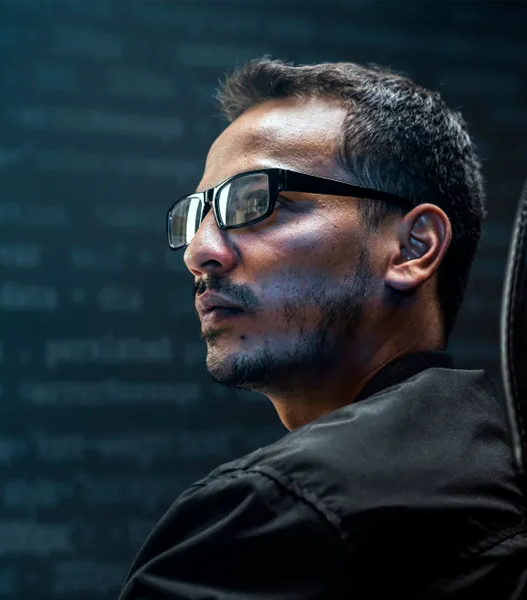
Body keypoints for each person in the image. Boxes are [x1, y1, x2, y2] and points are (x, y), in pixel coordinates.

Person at [118, 58, 527, 599]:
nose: (200, 252)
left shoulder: (271, 518)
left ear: (413, 248)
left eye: (256, 200)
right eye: (197, 216)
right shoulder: (496, 472)